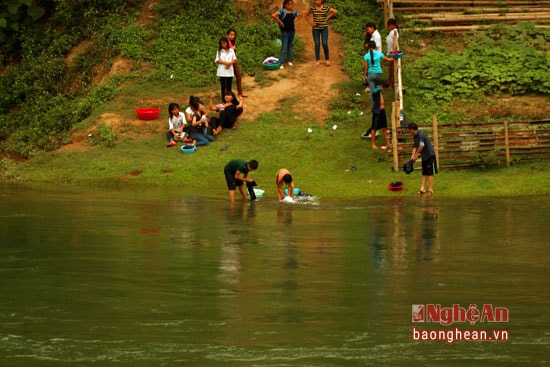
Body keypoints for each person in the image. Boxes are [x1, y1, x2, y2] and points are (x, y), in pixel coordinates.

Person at [305, 0, 337, 67]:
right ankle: (318, 60)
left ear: (322, 0)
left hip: (324, 28)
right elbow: (306, 14)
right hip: (315, 29)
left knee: (324, 43)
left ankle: (327, 59)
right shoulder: (313, 8)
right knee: (317, 44)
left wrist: (328, 17)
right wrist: (311, 22)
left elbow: (335, 11)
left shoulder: (325, 7)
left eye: (319, 0)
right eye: (316, 0)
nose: (317, 1)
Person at [408, 122, 437, 195]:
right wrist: (412, 157)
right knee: (424, 172)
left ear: (412, 130)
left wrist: (417, 154)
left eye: (409, 130)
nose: (409, 132)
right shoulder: (415, 136)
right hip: (424, 156)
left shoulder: (421, 135)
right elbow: (415, 146)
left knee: (430, 173)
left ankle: (430, 190)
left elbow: (421, 146)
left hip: (430, 155)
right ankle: (422, 188)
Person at [272, 0, 302, 70]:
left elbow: (300, 15)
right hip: (285, 32)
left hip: (292, 31)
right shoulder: (282, 11)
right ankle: (281, 62)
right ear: (285, 5)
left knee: (290, 46)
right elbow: (273, 15)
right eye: (288, 5)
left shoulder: (294, 12)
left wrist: (295, 20)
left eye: (291, 5)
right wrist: (280, 22)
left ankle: (289, 60)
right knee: (284, 47)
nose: (290, 6)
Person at [363, 40, 393, 104]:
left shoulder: (366, 56)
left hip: (370, 75)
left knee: (372, 91)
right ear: (375, 47)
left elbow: (366, 68)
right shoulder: (379, 54)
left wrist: (364, 77)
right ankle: (380, 102)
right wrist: (395, 57)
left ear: (368, 47)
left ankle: (374, 105)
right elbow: (389, 59)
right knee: (377, 88)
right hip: (379, 74)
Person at [364, 85, 391, 149]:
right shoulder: (374, 92)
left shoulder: (379, 91)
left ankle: (388, 143)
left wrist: (380, 91)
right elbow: (373, 92)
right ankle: (373, 144)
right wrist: (379, 90)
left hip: (382, 111)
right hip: (377, 111)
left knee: (384, 127)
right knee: (374, 128)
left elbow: (382, 103)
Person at [226, 29, 247, 98]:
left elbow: (234, 52)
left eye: (234, 35)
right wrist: (232, 49)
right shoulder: (225, 43)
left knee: (238, 76)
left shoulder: (232, 43)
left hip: (234, 61)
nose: (232, 36)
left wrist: (235, 52)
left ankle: (240, 93)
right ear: (227, 35)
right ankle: (228, 95)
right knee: (229, 79)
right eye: (231, 35)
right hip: (228, 62)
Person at [386, 18, 399, 88]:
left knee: (393, 69)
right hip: (390, 52)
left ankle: (391, 84)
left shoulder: (395, 33)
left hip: (393, 53)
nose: (389, 27)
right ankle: (389, 82)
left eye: (390, 26)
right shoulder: (392, 32)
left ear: (394, 25)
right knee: (391, 69)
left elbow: (395, 44)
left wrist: (393, 54)